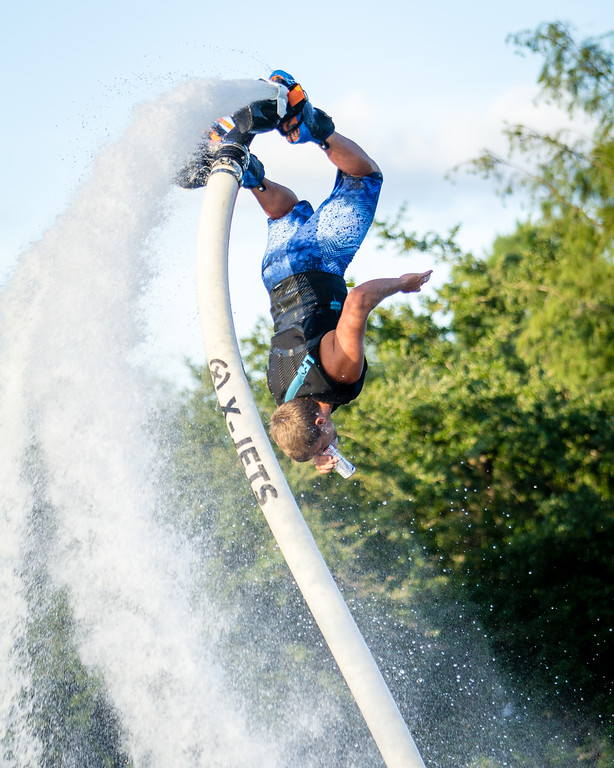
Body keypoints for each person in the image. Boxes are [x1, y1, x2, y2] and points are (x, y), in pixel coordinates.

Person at [178, 71, 432, 474]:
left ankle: (309, 126)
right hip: (276, 272)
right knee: (286, 208)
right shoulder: (281, 395)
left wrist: (403, 284)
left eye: (325, 438)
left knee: (364, 178)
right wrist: (314, 447)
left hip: (318, 263)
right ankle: (243, 169)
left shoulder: (339, 376)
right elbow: (295, 425)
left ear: (320, 421)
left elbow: (360, 300)